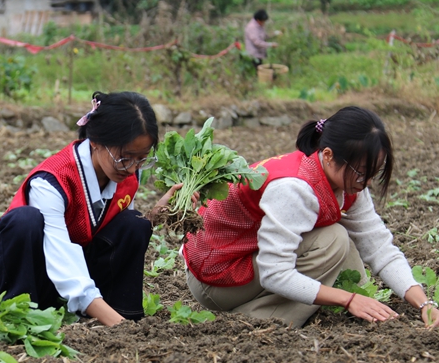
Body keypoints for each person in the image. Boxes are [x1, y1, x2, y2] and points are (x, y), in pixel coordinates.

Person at [184, 106, 439, 329]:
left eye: (374, 173)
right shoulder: (293, 189)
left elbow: (378, 246)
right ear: (328, 155)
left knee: (342, 240)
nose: (367, 182)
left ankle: (341, 301)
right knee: (334, 240)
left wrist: (423, 302)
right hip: (217, 278)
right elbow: (275, 272)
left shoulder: (348, 182)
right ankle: (255, 319)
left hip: (248, 262)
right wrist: (347, 299)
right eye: (361, 173)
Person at [0, 91, 181, 326]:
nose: (133, 168)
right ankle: (20, 316)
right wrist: (116, 323)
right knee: (25, 220)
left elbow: (115, 231)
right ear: (96, 142)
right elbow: (60, 256)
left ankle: (122, 314)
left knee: (135, 222)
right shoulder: (52, 181)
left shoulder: (126, 173)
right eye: (125, 157)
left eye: (142, 158)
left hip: (67, 278)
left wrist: (151, 217)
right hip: (22, 271)